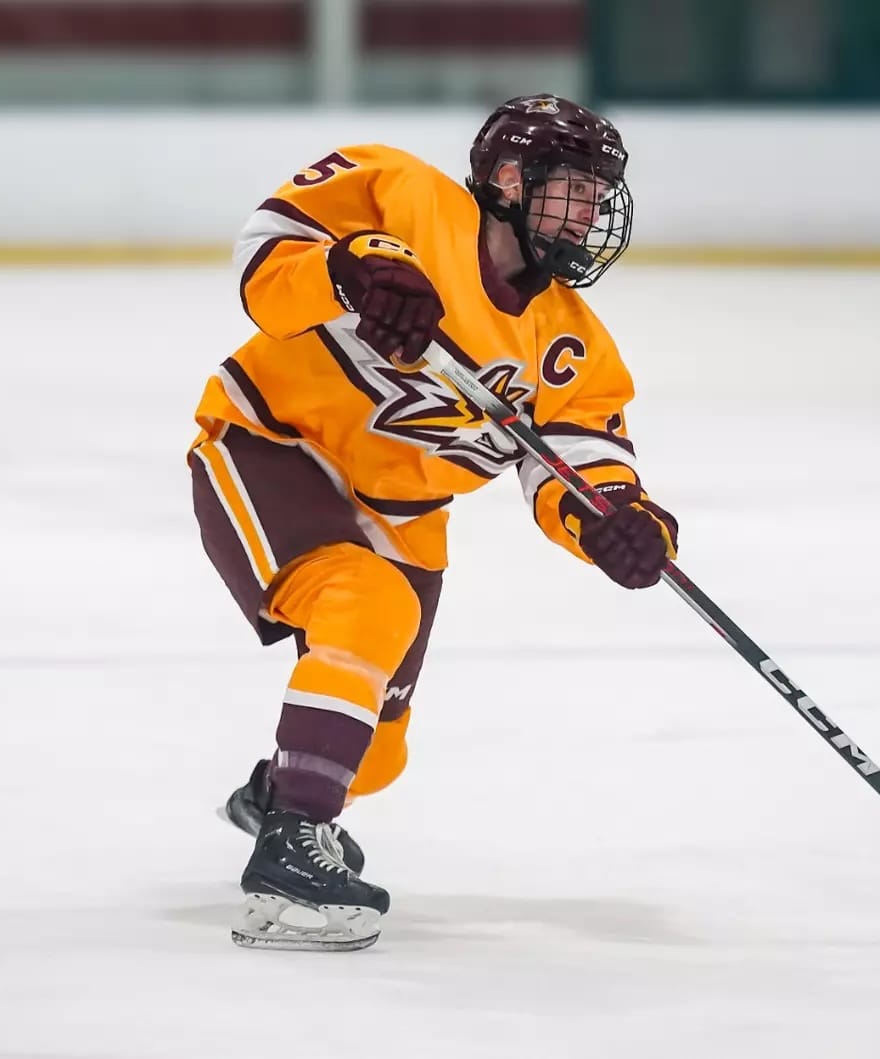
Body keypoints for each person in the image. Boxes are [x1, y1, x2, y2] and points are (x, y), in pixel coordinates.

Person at [188, 95, 678, 951]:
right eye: (577, 189)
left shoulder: (570, 341)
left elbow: (579, 459)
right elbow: (263, 263)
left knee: (374, 757)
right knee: (367, 603)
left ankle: (281, 792)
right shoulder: (398, 193)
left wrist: (615, 520)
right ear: (510, 182)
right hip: (273, 444)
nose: (594, 212)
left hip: (403, 511)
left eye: (602, 195)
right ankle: (289, 854)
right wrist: (347, 269)